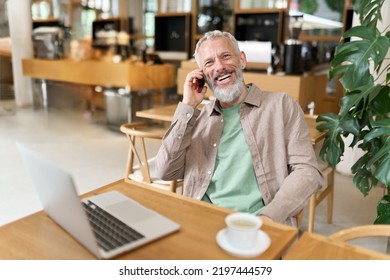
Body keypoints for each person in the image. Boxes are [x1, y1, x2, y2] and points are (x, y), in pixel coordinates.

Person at [155, 30, 323, 226]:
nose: (219, 67)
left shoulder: (282, 105)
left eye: (226, 56)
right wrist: (188, 106)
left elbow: (307, 171)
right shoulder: (197, 118)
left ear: (242, 60)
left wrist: (269, 217)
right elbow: (165, 171)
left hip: (259, 224)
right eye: (209, 63)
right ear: (202, 75)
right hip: (202, 220)